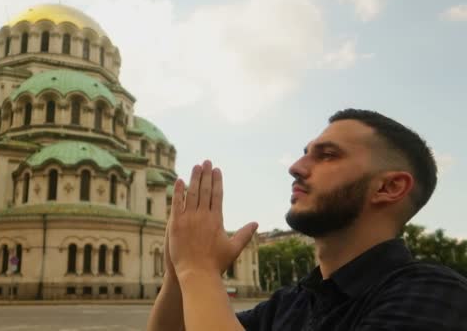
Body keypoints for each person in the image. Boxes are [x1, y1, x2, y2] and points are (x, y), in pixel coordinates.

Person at [146, 109, 467, 331]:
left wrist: (199, 270)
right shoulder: (291, 303)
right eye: (305, 152)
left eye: (327, 155)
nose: (296, 166)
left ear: (388, 187)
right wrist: (179, 270)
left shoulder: (437, 295)